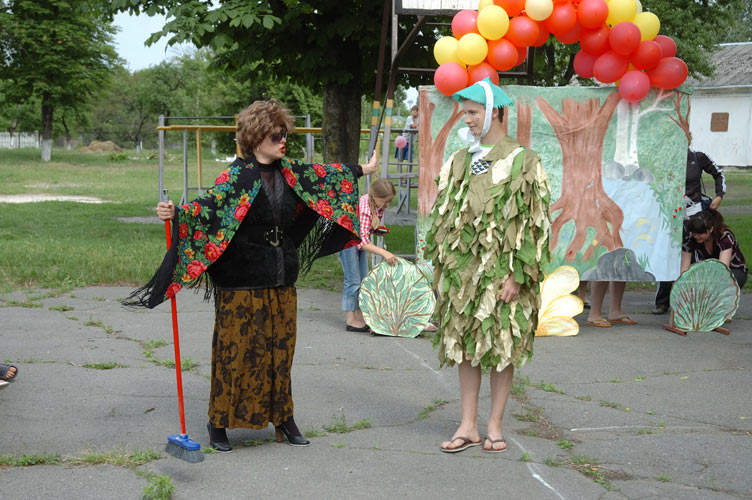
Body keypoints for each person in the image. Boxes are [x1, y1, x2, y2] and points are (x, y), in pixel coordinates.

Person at [125, 99, 379, 452]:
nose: (283, 140)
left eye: (284, 134)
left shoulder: (291, 174)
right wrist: (176, 213)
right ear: (256, 138)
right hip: (240, 279)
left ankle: (283, 418)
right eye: (275, 135)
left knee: (280, 352)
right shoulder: (237, 178)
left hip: (281, 275)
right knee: (237, 353)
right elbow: (207, 209)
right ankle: (219, 422)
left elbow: (326, 176)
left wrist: (364, 169)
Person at [425, 78, 551, 453]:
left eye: (473, 112)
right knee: (463, 343)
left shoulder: (523, 160)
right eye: (465, 113)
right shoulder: (460, 160)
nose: (467, 120)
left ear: (494, 112)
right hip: (462, 270)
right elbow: (446, 217)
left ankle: (494, 424)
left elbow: (533, 222)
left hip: (503, 272)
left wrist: (518, 275)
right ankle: (468, 425)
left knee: (501, 344)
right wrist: (445, 268)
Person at [654, 146, 726, 314]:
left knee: (695, 257)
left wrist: (719, 195)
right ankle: (663, 301)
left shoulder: (697, 157)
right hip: (671, 215)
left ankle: (694, 301)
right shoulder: (663, 158)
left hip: (695, 216)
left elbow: (718, 173)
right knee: (669, 255)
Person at [338, 178, 398, 332]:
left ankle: (360, 315)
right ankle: (350, 319)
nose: (387, 204)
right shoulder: (365, 208)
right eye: (385, 201)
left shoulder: (377, 204)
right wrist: (384, 253)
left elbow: (364, 230)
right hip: (347, 242)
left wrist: (376, 230)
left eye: (389, 201)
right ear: (375, 196)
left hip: (356, 241)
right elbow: (362, 242)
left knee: (363, 279)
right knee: (353, 281)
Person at [682, 209, 747, 288]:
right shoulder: (690, 238)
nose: (696, 236)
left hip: (733, 270)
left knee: (720, 284)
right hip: (709, 272)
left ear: (710, 229)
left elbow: (723, 269)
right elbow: (684, 270)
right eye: (694, 233)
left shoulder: (725, 237)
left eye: (700, 233)